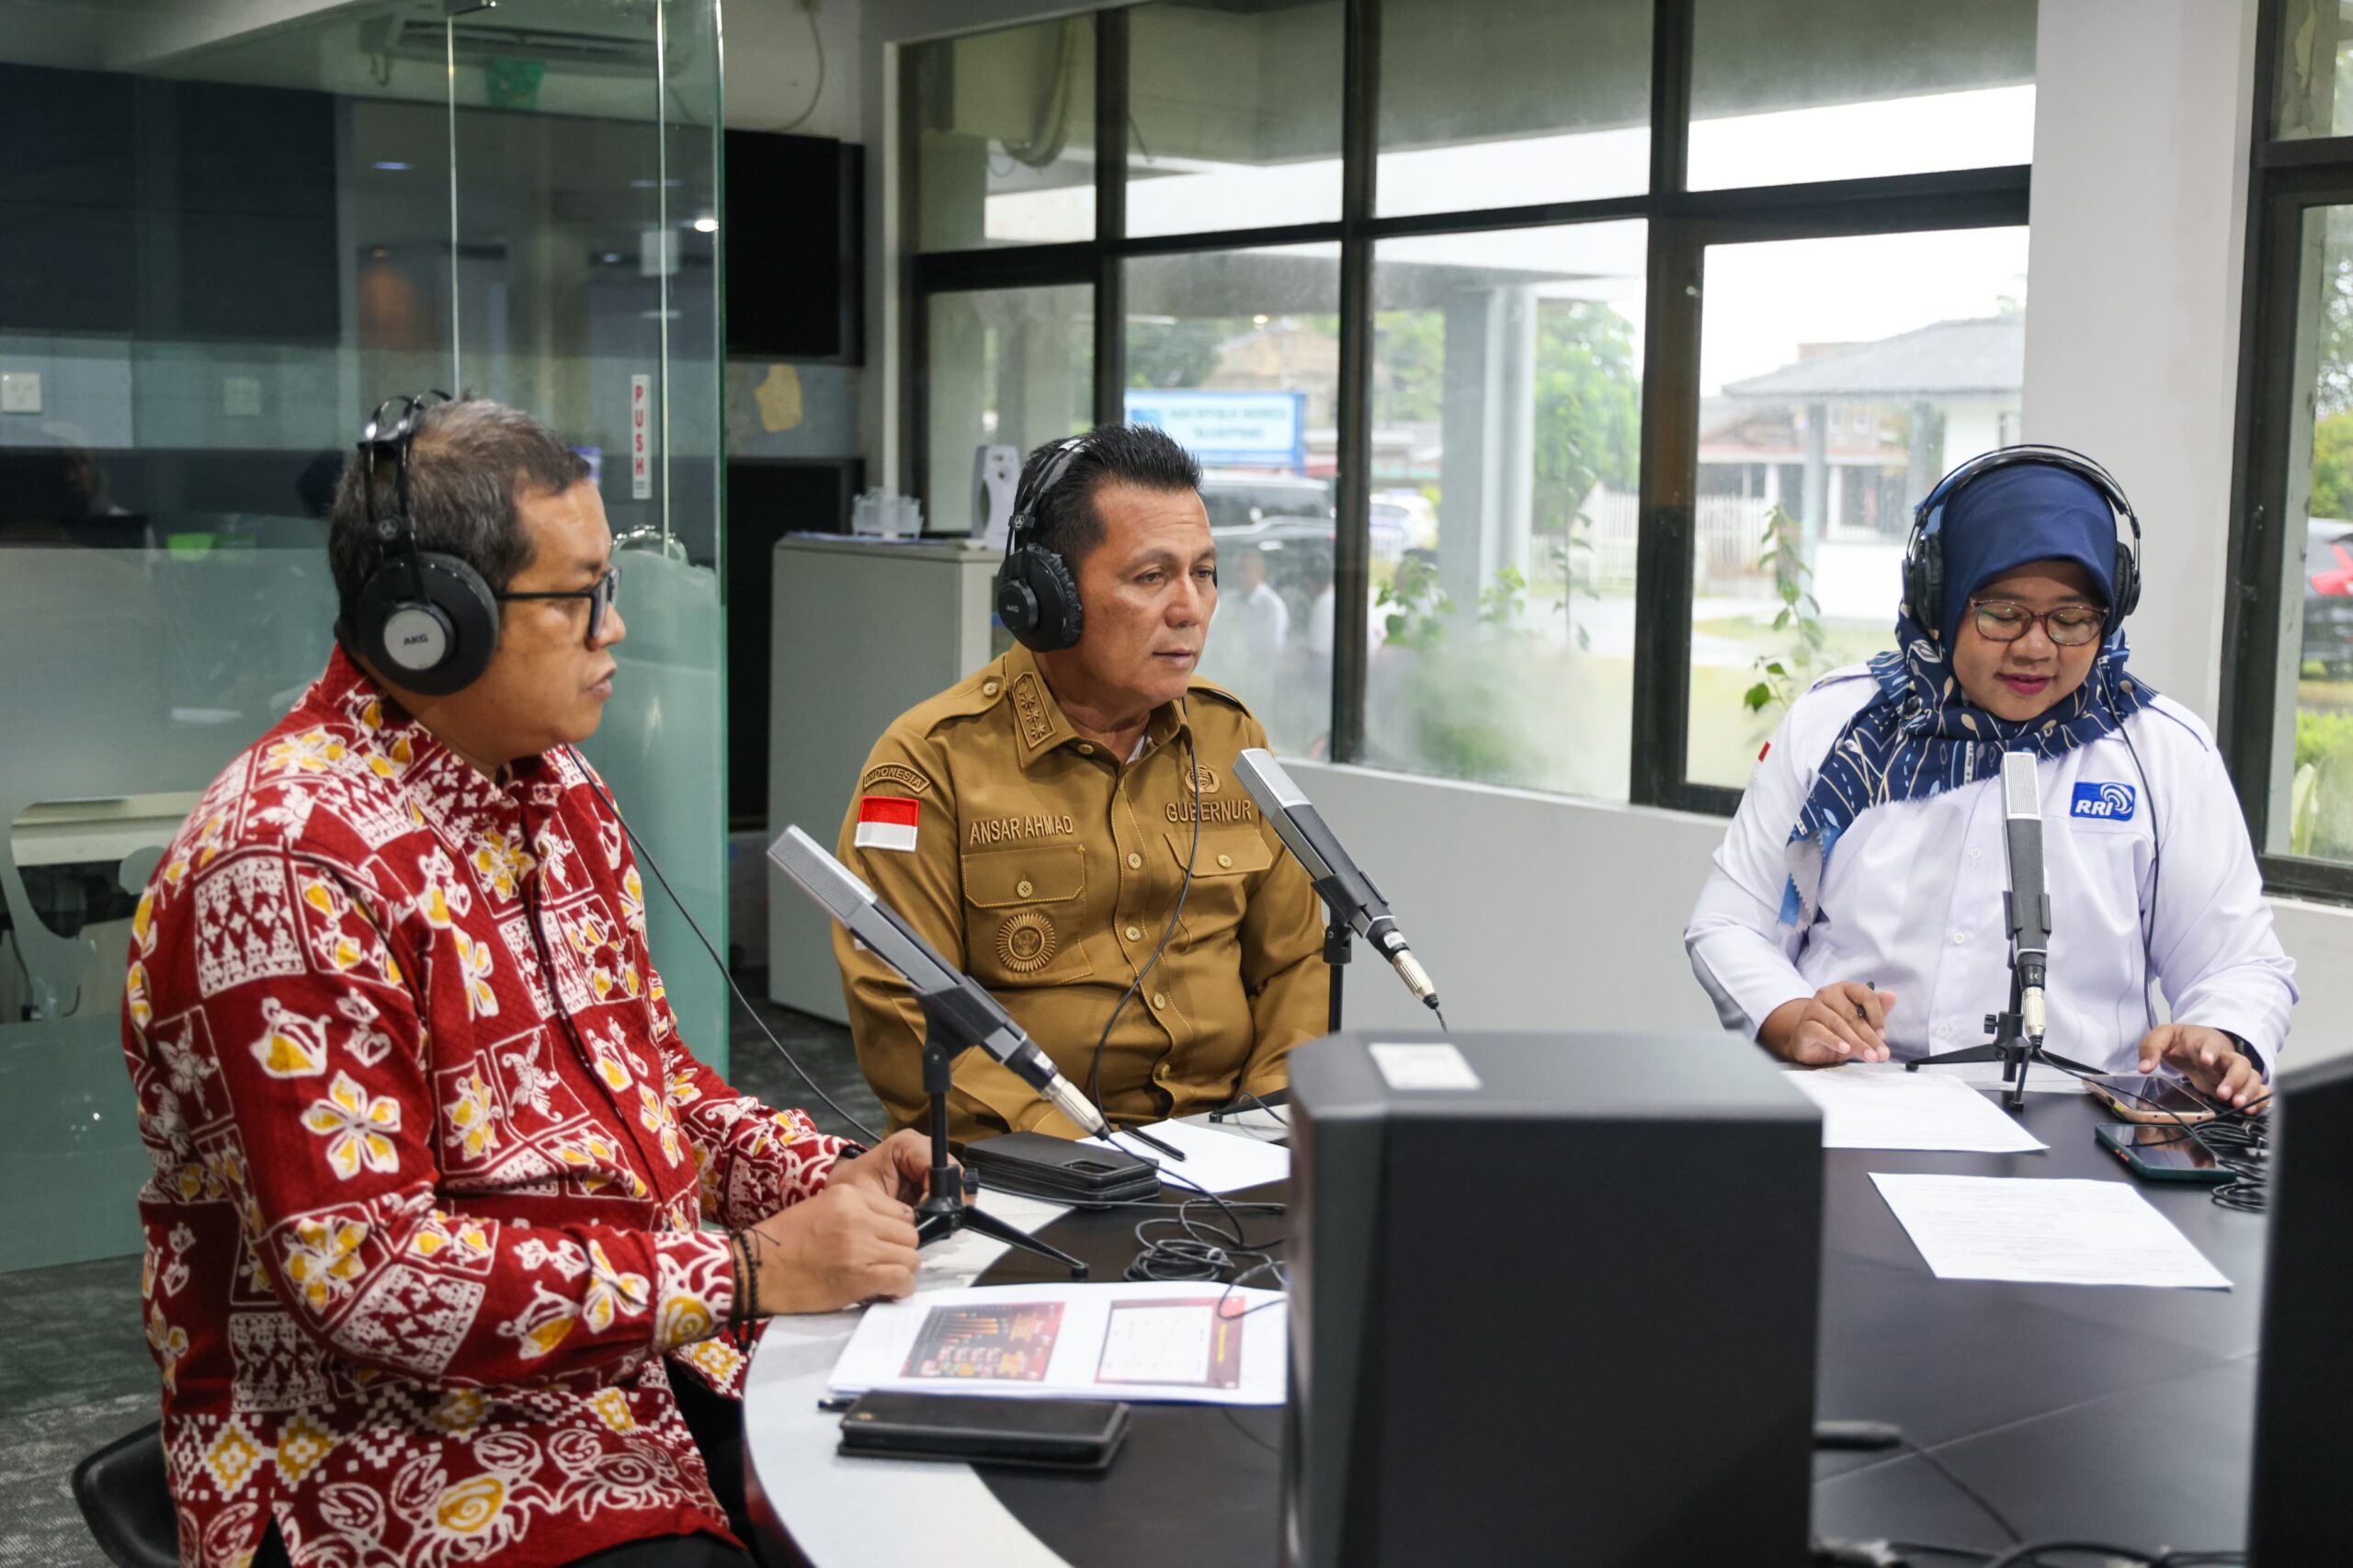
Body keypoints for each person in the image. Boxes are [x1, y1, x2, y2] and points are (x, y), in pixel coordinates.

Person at [121, 395, 935, 1568]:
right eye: (579, 594)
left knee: (909, 1489)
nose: (617, 627)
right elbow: (372, 1278)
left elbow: (646, 1083)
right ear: (426, 623)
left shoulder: (555, 792)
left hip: (620, 1371)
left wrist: (819, 1176)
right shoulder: (290, 855)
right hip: (392, 1455)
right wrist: (752, 1266)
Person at [1685, 447, 2295, 1108]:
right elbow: (1733, 923)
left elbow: (2238, 962)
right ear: (1940, 600)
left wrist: (2220, 1035)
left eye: (2071, 619)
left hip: (2080, 1121)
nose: (2036, 647)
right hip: (1853, 1101)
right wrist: (1791, 1016)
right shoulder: (1839, 725)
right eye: (2002, 613)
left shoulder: (2162, 751)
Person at [834, 425, 1328, 1142]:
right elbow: (901, 1011)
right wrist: (1091, 1161)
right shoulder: (928, 762)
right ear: (1046, 595)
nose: (1190, 608)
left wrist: (1265, 1126)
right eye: (1151, 577)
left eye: (1205, 571)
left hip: (1232, 1147)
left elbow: (1295, 964)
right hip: (1033, 1171)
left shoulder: (1233, 740)